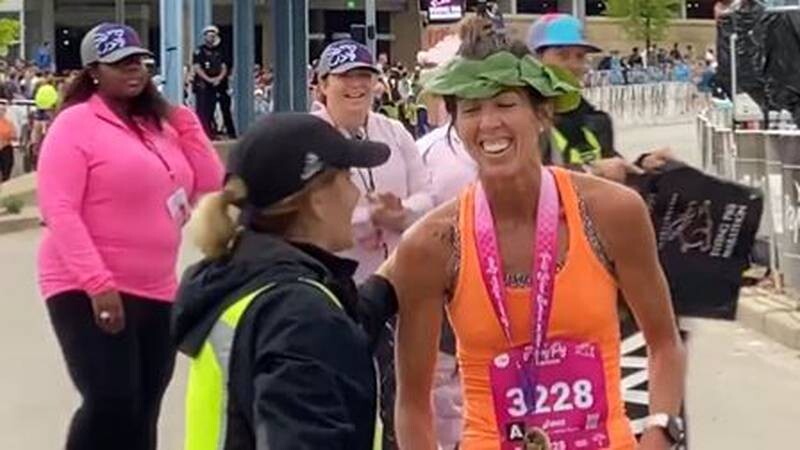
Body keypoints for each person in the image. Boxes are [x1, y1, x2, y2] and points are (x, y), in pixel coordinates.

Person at [383, 16, 687, 450]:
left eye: (505, 104)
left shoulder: (612, 213)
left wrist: (658, 432)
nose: (489, 123)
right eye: (471, 109)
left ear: (542, 114)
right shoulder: (433, 244)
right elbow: (413, 405)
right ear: (455, 124)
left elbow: (664, 343)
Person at [36, 23, 224, 450]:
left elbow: (209, 186)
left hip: (156, 287)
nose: (134, 69)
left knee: (145, 405)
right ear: (94, 73)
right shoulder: (75, 125)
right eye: (120, 64)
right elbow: (59, 210)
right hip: (85, 285)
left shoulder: (158, 126)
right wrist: (97, 283)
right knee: (110, 399)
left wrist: (186, 124)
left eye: (139, 61)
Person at [174, 113, 398, 449]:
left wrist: (388, 282)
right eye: (347, 177)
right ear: (318, 200)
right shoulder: (298, 315)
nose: (357, 194)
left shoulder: (246, 281)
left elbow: (323, 345)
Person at [313, 39, 434, 449]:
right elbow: (308, 213)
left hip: (397, 288)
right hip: (336, 291)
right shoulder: (311, 139)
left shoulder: (393, 132)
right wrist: (369, 218)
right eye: (345, 77)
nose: (356, 86)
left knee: (402, 394)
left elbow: (427, 196)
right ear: (322, 85)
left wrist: (400, 214)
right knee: (345, 395)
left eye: (364, 76)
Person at [528, 14, 674, 182]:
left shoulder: (595, 120)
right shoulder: (522, 122)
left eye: (580, 56)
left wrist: (642, 165)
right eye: (563, 55)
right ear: (535, 61)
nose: (574, 65)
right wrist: (591, 171)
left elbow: (612, 175)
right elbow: (523, 181)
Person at [192, 25, 236, 139]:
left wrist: (219, 78)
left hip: (220, 84)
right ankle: (208, 133)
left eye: (213, 36)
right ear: (204, 37)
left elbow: (224, 66)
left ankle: (231, 132)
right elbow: (197, 67)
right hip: (204, 85)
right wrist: (209, 79)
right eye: (208, 36)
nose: (210, 38)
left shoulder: (221, 50)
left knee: (225, 108)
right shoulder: (199, 51)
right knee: (205, 110)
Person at [0, 100, 16, 181]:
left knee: (6, 171)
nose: (1, 112)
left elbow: (14, 136)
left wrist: (7, 138)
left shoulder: (9, 123)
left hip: (6, 148)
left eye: (2, 110)